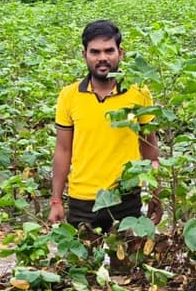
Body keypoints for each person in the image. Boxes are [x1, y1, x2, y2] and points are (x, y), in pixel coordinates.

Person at [49, 20, 161, 232]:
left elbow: (149, 145)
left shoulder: (139, 92)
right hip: (82, 200)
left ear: (120, 52)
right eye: (95, 52)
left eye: (109, 51)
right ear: (85, 55)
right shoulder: (69, 96)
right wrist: (56, 200)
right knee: (83, 263)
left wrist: (157, 192)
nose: (102, 58)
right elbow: (63, 150)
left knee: (128, 263)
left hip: (126, 197)